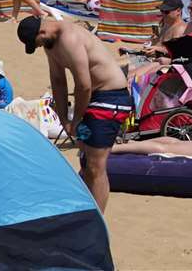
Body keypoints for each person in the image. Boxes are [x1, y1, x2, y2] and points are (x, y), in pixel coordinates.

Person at [18, 15, 132, 210]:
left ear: (42, 32)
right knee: (87, 162)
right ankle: (90, 215)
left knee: (96, 166)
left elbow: (84, 84)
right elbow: (58, 81)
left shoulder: (69, 37)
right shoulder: (50, 45)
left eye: (36, 44)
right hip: (94, 100)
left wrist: (77, 119)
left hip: (111, 98)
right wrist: (64, 120)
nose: (38, 48)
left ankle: (97, 224)